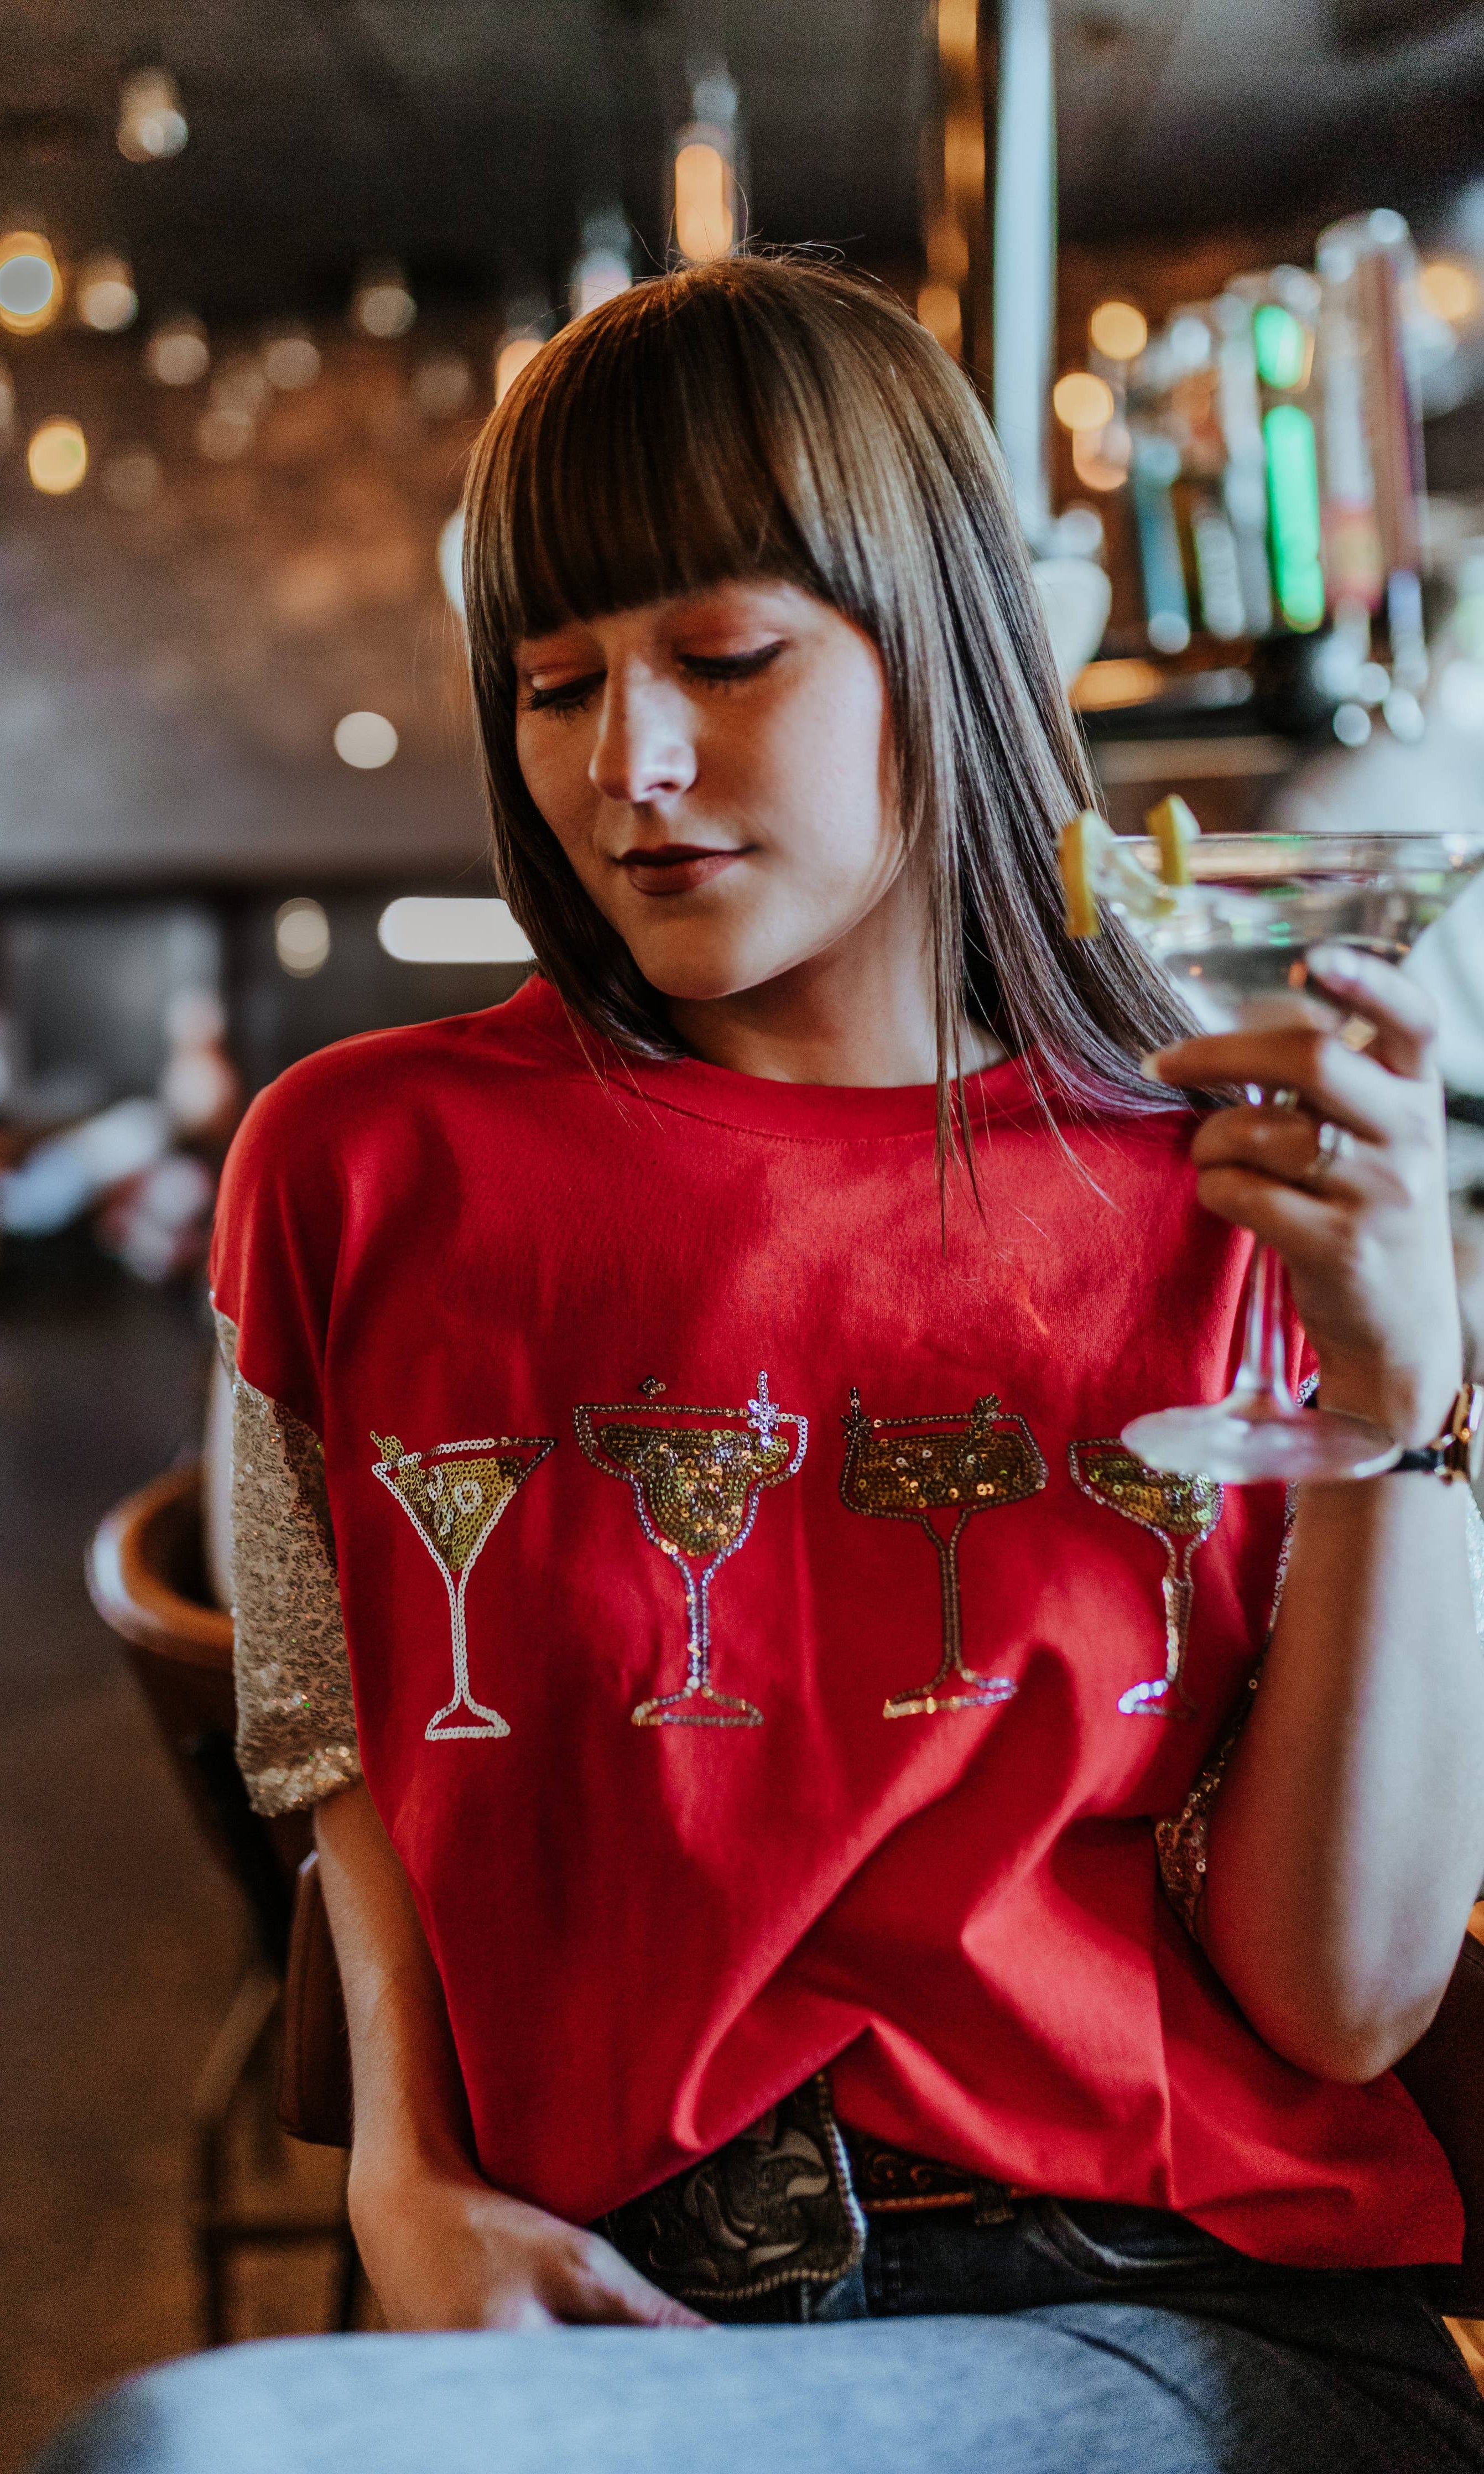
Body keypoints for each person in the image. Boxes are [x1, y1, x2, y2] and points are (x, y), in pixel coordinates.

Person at [209, 257, 1484, 2469]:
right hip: (619, 2315)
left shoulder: (1230, 1182)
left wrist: (1400, 1404)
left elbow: (1338, 1994)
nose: (631, 766)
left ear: (944, 649)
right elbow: (330, 1727)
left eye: (723, 656)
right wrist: (403, 2173)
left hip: (1160, 2318)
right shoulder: (363, 1164)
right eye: (550, 682)